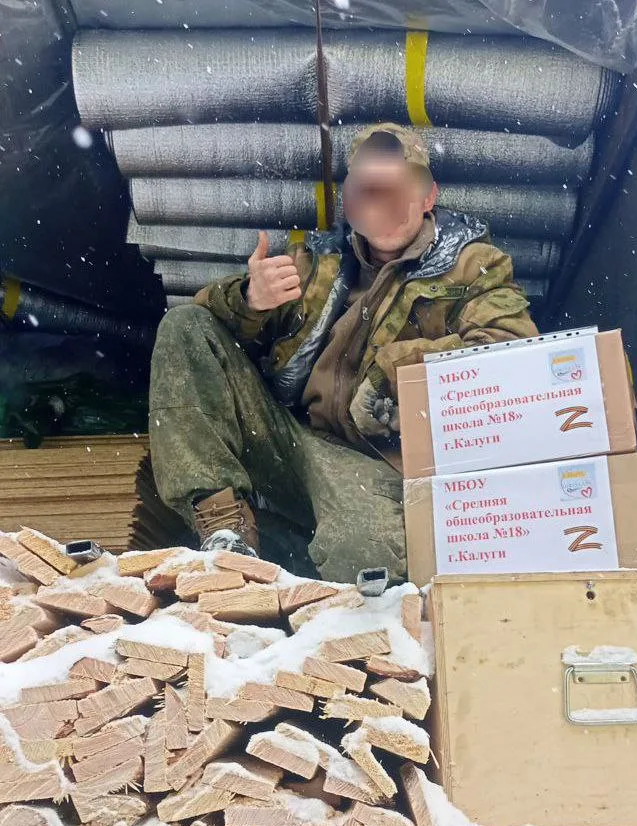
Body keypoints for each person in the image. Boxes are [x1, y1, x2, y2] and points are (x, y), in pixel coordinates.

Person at [149, 123, 538, 582]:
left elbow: (509, 350)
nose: (380, 205)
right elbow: (209, 336)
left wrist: (391, 369)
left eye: (396, 190)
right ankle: (225, 528)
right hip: (292, 440)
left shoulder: (474, 267)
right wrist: (251, 300)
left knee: (366, 560)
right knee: (186, 326)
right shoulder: (317, 262)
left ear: (428, 196)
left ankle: (285, 559)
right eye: (367, 191)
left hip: (378, 461)